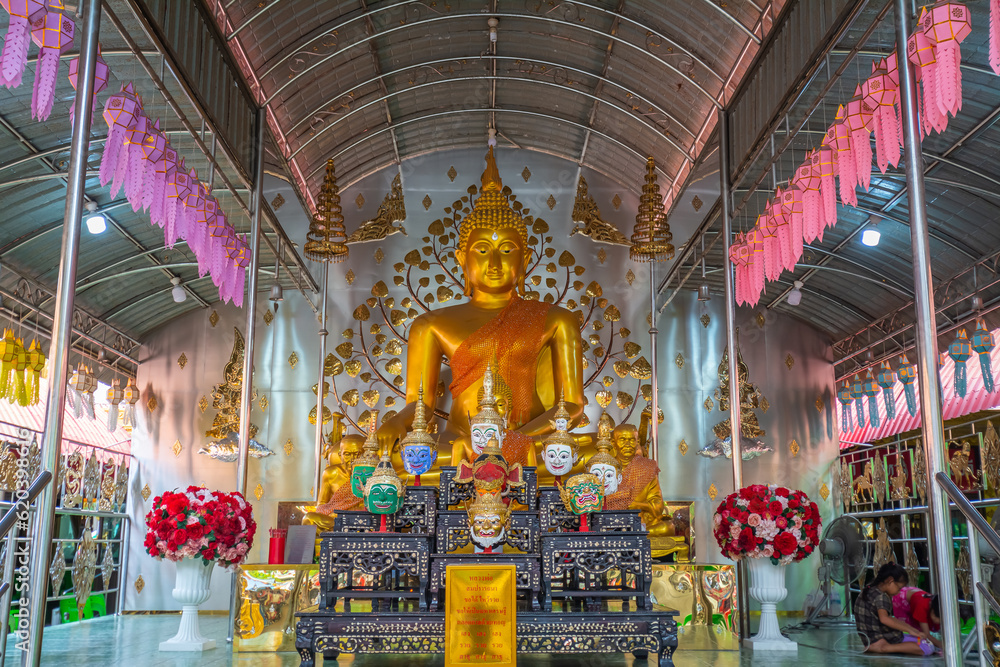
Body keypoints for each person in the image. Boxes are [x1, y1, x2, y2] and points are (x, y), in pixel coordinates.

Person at [855, 563, 934, 656]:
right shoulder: (881, 597)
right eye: (899, 588)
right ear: (890, 581)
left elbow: (887, 617)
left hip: (869, 638)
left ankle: (882, 646)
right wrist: (910, 630)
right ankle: (884, 648)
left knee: (923, 641)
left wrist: (911, 629)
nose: (899, 592)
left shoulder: (868, 589)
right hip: (881, 639)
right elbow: (885, 619)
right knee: (927, 648)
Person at [892, 585, 942, 650]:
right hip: (902, 599)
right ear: (933, 613)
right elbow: (926, 635)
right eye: (941, 620)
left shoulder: (936, 603)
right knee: (915, 632)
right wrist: (942, 646)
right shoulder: (922, 607)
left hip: (915, 596)